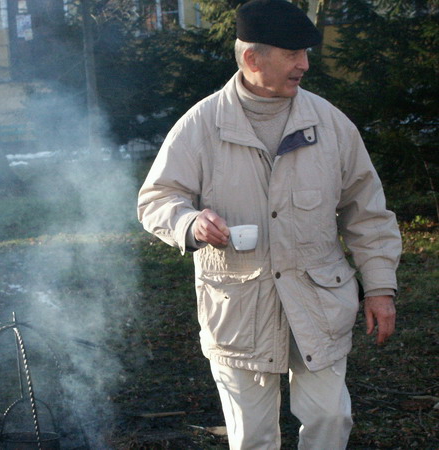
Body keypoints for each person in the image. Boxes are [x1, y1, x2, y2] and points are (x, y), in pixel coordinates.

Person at [137, 0, 402, 448]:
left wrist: (379, 287)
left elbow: (367, 211)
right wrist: (190, 222)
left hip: (317, 301)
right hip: (240, 312)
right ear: (251, 58)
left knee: (331, 419)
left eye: (305, 53)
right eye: (293, 54)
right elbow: (157, 199)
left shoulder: (331, 125)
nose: (305, 65)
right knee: (253, 440)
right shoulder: (200, 125)